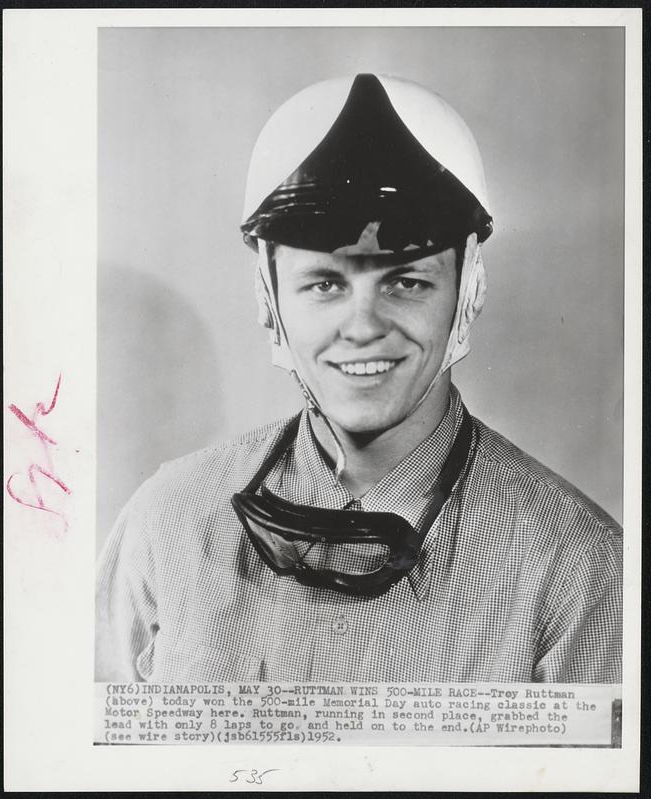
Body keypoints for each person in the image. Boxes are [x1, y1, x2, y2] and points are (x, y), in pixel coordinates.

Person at [96, 74, 622, 684]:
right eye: (325, 284)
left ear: (468, 289)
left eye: (407, 281)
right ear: (269, 297)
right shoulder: (168, 521)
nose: (364, 326)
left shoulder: (579, 566)